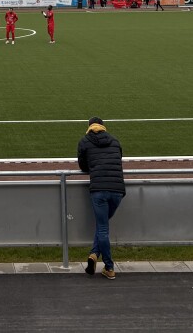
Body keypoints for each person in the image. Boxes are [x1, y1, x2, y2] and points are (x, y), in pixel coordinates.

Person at [77, 116, 125, 280]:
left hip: (99, 190)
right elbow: (119, 160)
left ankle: (110, 267)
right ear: (103, 127)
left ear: (89, 127)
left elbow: (83, 166)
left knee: (102, 227)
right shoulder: (115, 140)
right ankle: (94, 254)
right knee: (102, 225)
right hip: (118, 190)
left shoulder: (84, 141)